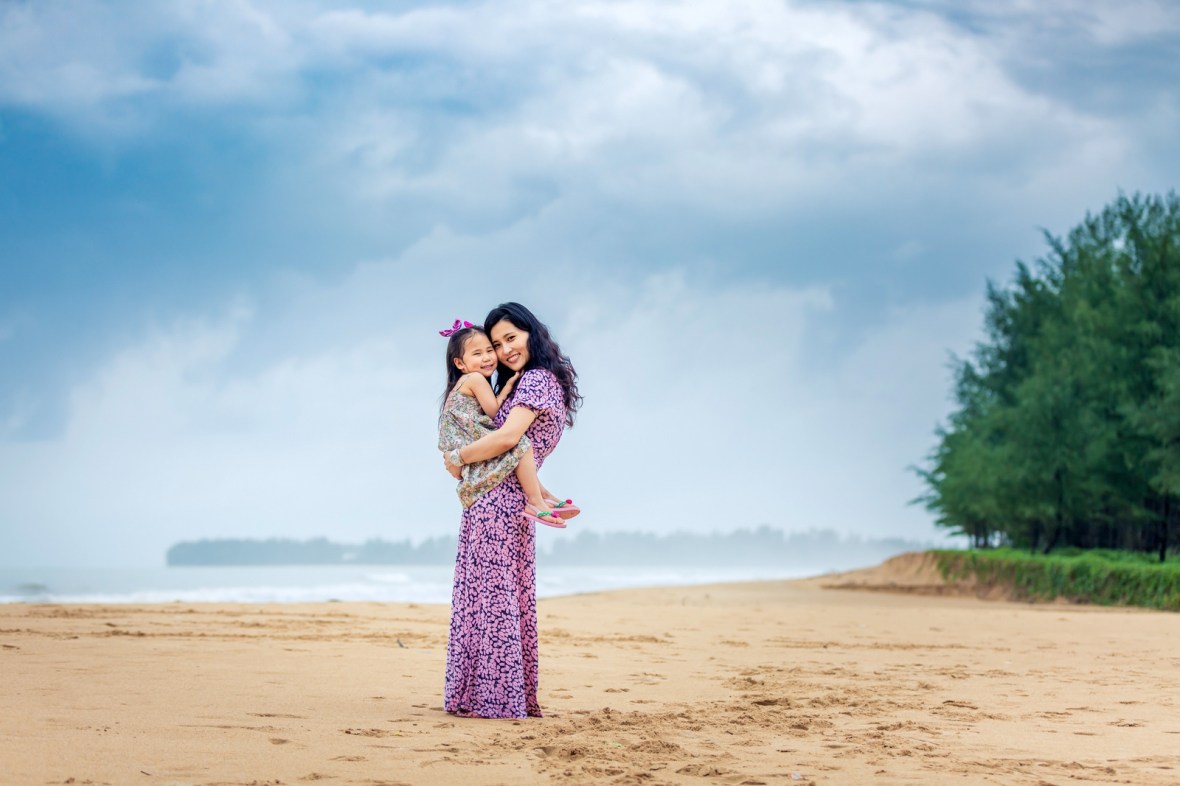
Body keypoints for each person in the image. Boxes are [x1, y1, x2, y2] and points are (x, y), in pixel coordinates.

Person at [441, 302, 582, 719]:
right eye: (496, 344)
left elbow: (507, 439)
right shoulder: (536, 380)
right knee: (496, 596)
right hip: (502, 498)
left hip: (499, 500)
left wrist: (458, 457)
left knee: (493, 597)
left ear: (530, 334)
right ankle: (490, 697)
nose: (503, 351)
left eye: (511, 338)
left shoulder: (535, 380)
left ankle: (496, 699)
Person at [437, 319, 568, 528]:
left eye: (490, 350)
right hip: (491, 490)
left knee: (516, 446)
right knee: (521, 444)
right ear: (460, 363)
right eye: (477, 354)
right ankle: (536, 498)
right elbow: (495, 413)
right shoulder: (476, 380)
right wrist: (508, 388)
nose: (488, 358)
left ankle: (541, 493)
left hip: (468, 453)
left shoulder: (465, 382)